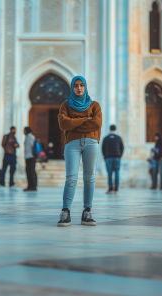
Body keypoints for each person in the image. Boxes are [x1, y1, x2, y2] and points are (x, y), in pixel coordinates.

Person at [57, 75, 102, 227]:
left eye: (81, 85)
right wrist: (85, 119)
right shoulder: (66, 106)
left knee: (89, 177)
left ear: (85, 87)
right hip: (72, 144)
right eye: (76, 85)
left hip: (91, 143)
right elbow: (63, 123)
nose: (79, 88)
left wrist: (73, 123)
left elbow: (96, 124)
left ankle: (87, 212)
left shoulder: (94, 105)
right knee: (71, 178)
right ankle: (65, 212)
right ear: (72, 87)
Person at [102, 124, 124, 195]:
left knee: (109, 173)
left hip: (108, 157)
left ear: (109, 129)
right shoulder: (118, 138)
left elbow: (103, 148)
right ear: (115, 129)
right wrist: (120, 155)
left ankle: (110, 188)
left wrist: (105, 156)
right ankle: (116, 188)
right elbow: (122, 148)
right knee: (117, 172)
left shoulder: (106, 138)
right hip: (117, 157)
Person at [0, 126, 19, 191]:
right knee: (3, 170)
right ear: (11, 130)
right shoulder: (6, 136)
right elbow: (3, 144)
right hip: (7, 155)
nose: (14, 131)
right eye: (13, 130)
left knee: (12, 171)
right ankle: (1, 184)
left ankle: (11, 184)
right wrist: (7, 149)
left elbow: (18, 145)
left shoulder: (14, 138)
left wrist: (15, 145)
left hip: (13, 156)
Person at [23, 127, 37, 191]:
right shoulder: (27, 137)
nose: (24, 132)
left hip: (31, 156)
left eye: (25, 130)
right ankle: (29, 186)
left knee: (31, 171)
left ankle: (34, 186)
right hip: (27, 156)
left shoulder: (31, 136)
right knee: (28, 171)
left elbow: (32, 145)